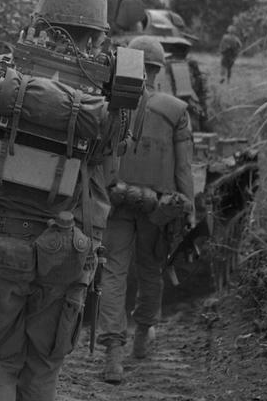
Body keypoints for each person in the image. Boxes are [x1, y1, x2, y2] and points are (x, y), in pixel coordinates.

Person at [0, 0, 133, 400]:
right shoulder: (110, 99)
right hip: (67, 249)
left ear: (40, 20)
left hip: (0, 244)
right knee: (42, 369)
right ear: (98, 33)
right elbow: (107, 173)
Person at [96, 35, 195, 384]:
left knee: (112, 273)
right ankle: (142, 335)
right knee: (151, 270)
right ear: (159, 68)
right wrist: (188, 210)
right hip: (158, 208)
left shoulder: (111, 104)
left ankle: (112, 355)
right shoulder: (176, 111)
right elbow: (184, 169)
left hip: (115, 202)